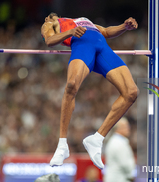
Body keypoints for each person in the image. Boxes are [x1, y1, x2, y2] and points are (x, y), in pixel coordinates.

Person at [40, 13, 139, 169]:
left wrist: (123, 27)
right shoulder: (51, 23)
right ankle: (62, 145)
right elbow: (49, 41)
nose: (48, 17)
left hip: (103, 49)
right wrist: (70, 32)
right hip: (82, 47)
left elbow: (106, 32)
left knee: (131, 92)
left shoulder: (83, 20)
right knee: (72, 85)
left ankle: (97, 139)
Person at [104, 117, 135, 182]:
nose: (128, 129)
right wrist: (131, 174)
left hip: (118, 180)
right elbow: (125, 163)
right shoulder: (118, 143)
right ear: (118, 128)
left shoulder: (116, 141)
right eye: (125, 126)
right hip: (118, 180)